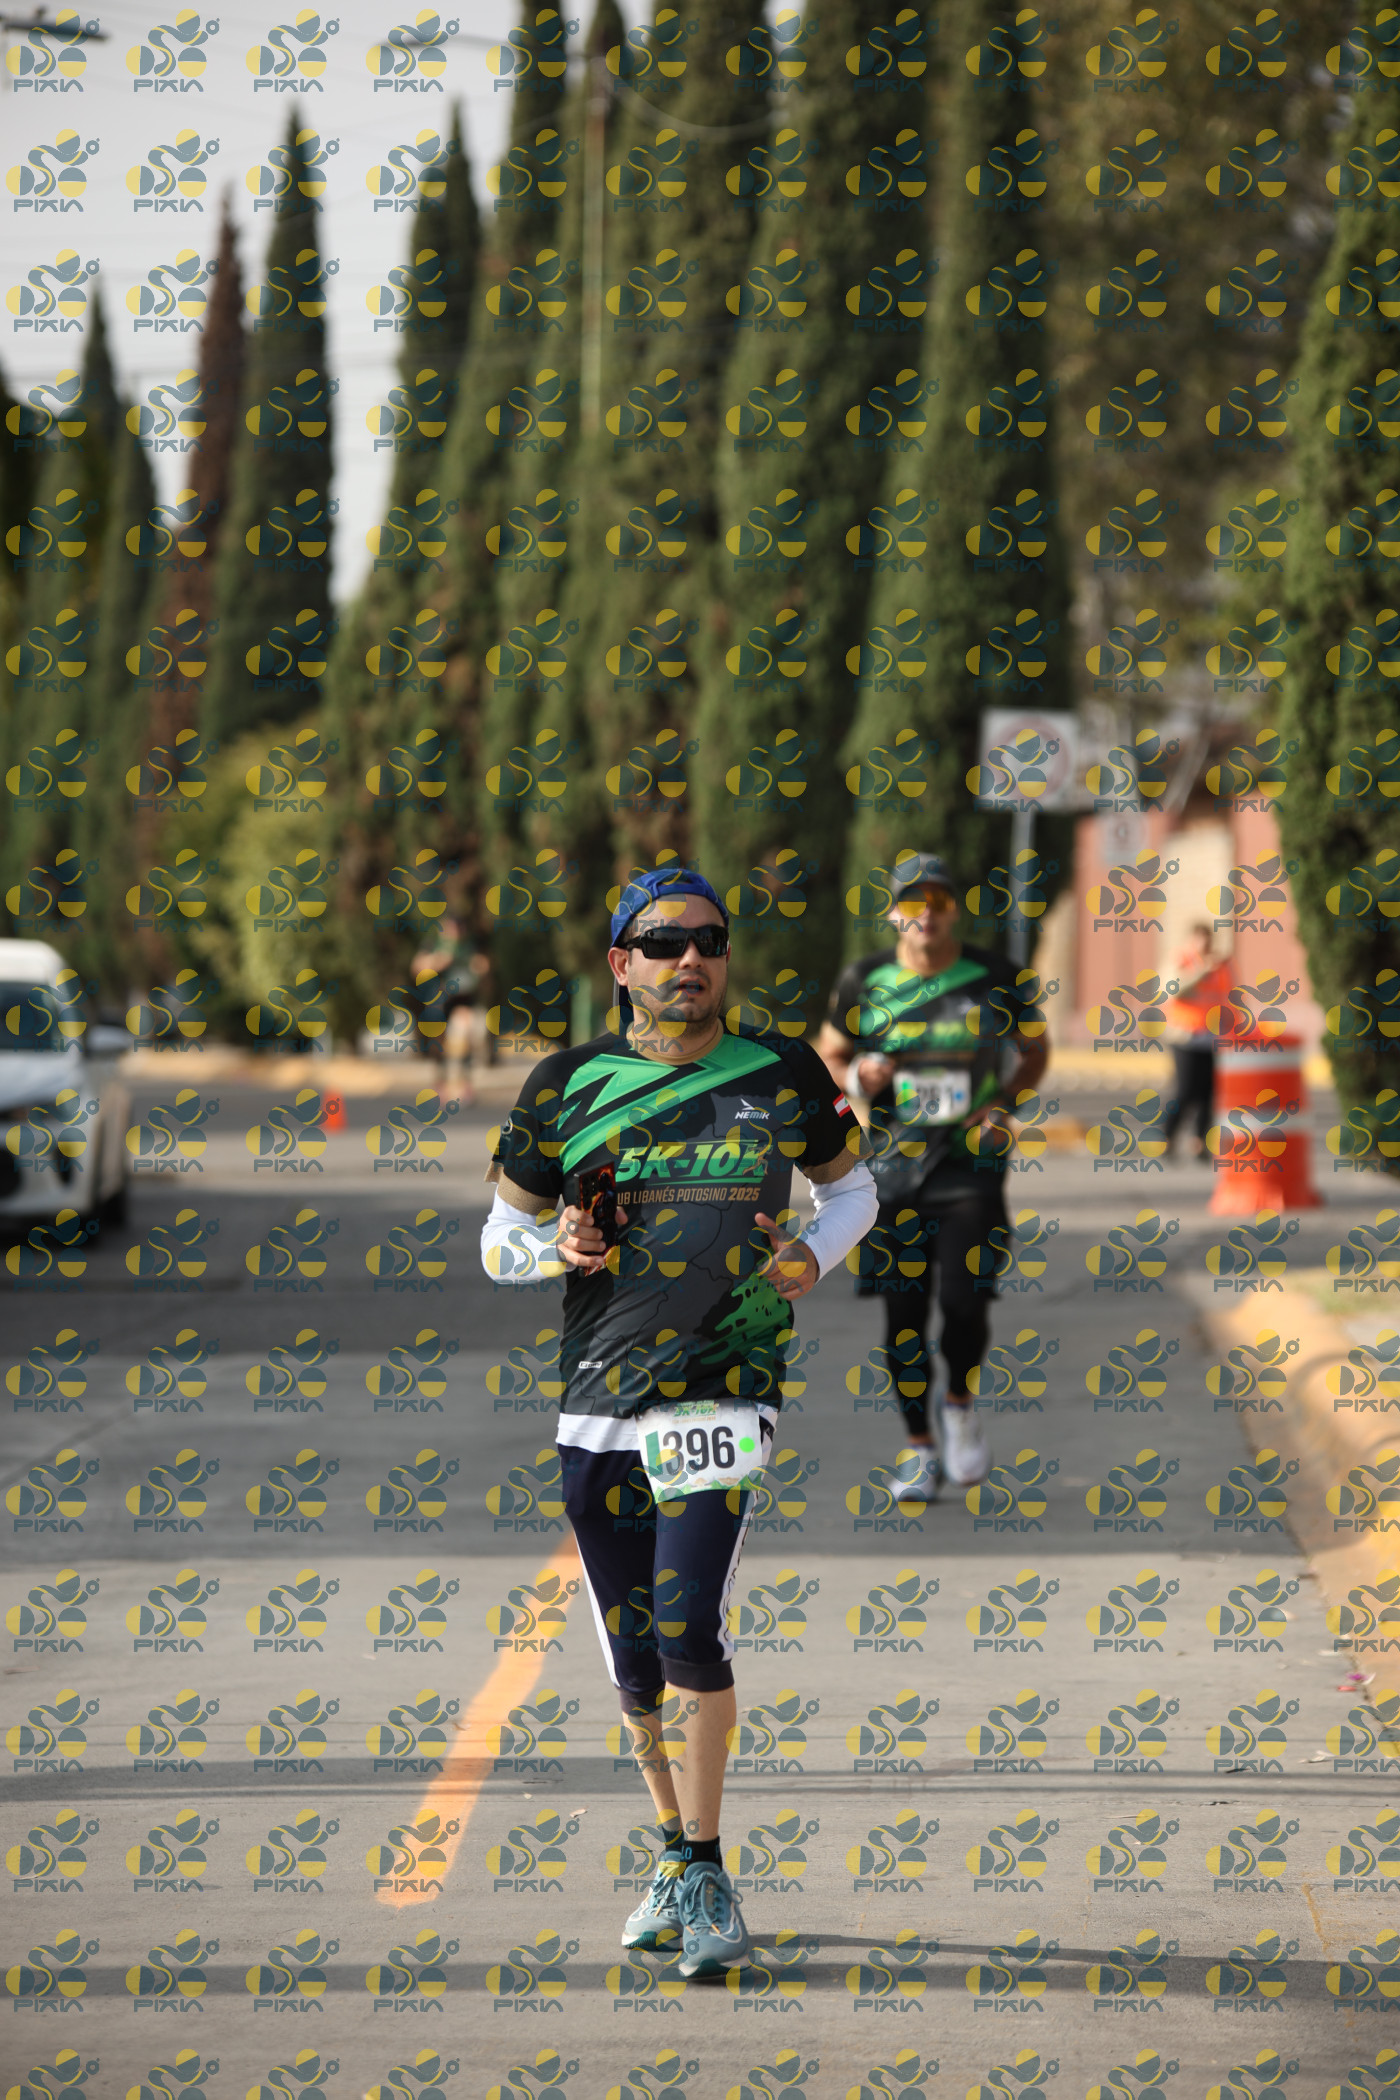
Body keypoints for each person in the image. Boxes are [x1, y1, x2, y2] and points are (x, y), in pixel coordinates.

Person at [479, 867, 877, 1979]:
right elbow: (497, 1241)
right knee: (634, 1652)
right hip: (597, 1401)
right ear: (621, 965)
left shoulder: (781, 1071)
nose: (689, 959)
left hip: (723, 1385)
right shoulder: (565, 1085)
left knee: (688, 1618)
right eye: (662, 943)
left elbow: (852, 1191)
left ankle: (705, 1867)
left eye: (708, 939)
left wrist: (812, 1256)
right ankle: (670, 1850)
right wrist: (555, 1247)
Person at [814, 851, 1050, 1502]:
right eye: (913, 903)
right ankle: (919, 1447)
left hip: (970, 1165)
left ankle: (959, 1405)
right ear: (894, 913)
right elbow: (830, 1053)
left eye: (938, 901)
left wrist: (1004, 1105)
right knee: (904, 1317)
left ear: (955, 910)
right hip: (893, 1173)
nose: (926, 915)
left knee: (966, 1304)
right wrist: (856, 1076)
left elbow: (1034, 1050)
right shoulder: (864, 980)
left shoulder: (997, 977)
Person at [1162, 921, 1231, 1161]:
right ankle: (1167, 1137)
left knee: (1208, 1093)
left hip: (1210, 1036)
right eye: (1200, 939)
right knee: (1185, 1090)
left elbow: (1227, 998)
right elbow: (1174, 990)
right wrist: (1202, 971)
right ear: (1191, 940)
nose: (1204, 944)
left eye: (1208, 939)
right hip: (1184, 1035)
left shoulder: (1219, 966)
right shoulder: (1181, 960)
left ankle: (1200, 1142)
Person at [411, 916, 487, 1105]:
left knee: (464, 1036)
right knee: (439, 1043)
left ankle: (464, 1084)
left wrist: (479, 968)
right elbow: (417, 966)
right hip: (438, 1000)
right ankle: (441, 1083)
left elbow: (483, 965)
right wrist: (438, 961)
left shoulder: (469, 946)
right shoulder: (433, 944)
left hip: (462, 998)